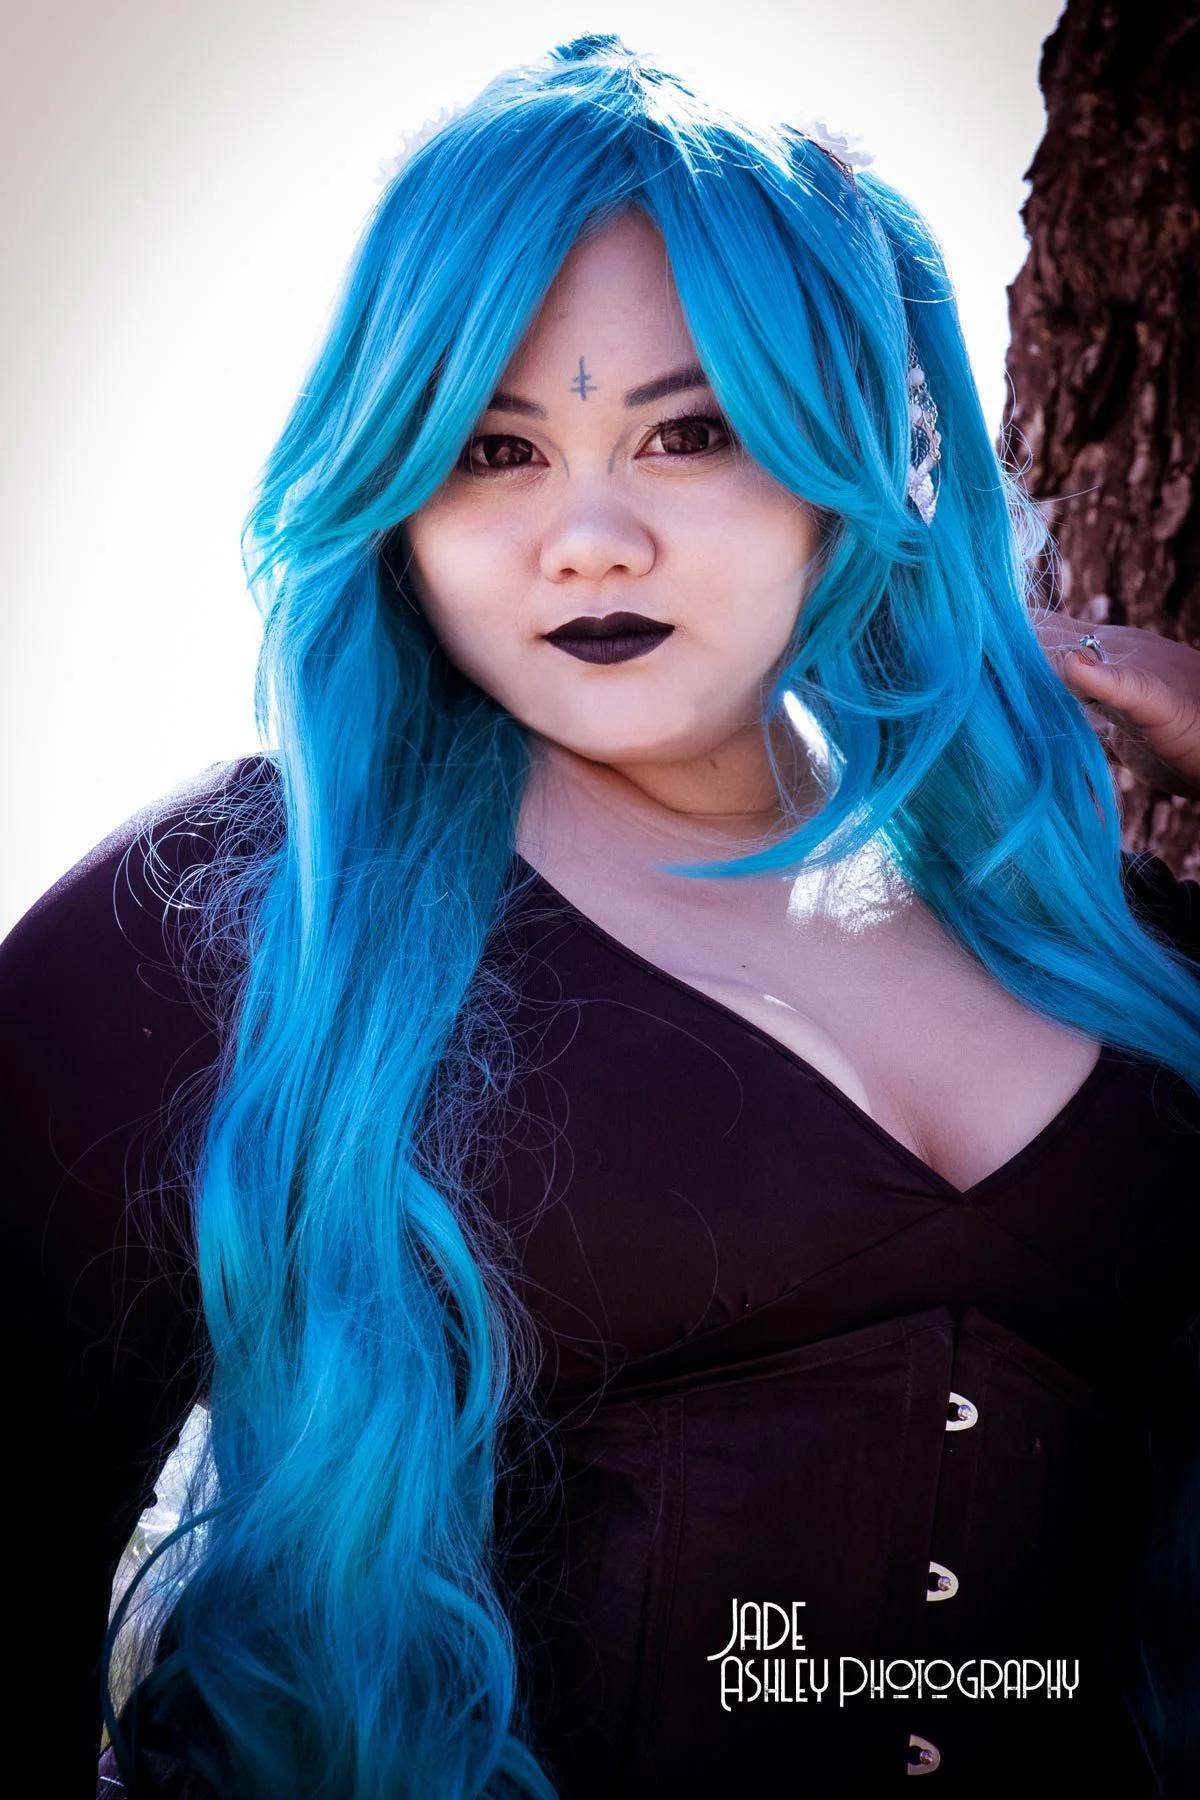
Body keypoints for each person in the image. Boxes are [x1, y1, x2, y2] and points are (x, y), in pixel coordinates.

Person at [4, 32, 1200, 1800]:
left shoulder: (1120, 946)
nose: (589, 540)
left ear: (870, 447)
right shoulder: (230, 926)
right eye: (494, 451)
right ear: (393, 491)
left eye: (692, 432)